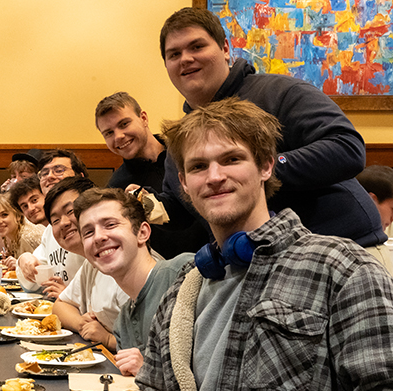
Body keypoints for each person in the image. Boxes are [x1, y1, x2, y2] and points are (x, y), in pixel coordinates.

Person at [0, 97, 393, 391]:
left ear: (265, 166)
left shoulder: (340, 267)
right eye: (199, 167)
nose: (215, 177)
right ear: (183, 183)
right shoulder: (190, 284)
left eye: (232, 159)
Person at [148, 7, 385, 259]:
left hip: (348, 250)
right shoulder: (180, 136)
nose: (185, 58)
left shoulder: (281, 92)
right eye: (174, 54)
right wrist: (143, 204)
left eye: (196, 47)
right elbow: (181, 210)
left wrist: (259, 171)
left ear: (225, 49)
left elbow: (347, 148)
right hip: (256, 268)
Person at [73, 187, 192, 374]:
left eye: (110, 225)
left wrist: (149, 369)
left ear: (143, 233)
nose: (98, 237)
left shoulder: (184, 274)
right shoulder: (122, 324)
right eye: (88, 232)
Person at [96, 91, 207, 258]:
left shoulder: (186, 152)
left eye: (124, 124)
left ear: (143, 118)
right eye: (109, 133)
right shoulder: (116, 188)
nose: (118, 136)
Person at [46, 177, 128, 336]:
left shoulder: (123, 260)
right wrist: (83, 325)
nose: (63, 223)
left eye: (70, 211)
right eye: (55, 220)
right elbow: (60, 305)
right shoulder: (92, 263)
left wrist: (107, 339)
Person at [16, 150, 90, 297]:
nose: (49, 176)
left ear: (80, 177)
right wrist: (23, 259)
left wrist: (69, 296)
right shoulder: (51, 229)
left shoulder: (94, 220)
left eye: (59, 170)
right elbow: (33, 281)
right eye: (44, 173)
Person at [0, 194, 44, 271]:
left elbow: (42, 270)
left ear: (18, 216)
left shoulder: (28, 236)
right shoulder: (8, 234)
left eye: (4, 215)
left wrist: (18, 264)